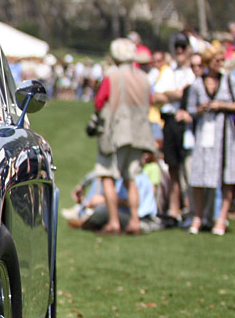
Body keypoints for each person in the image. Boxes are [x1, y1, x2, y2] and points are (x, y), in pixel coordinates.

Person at [92, 37, 156, 235]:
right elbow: (151, 100)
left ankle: (113, 222)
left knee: (107, 175)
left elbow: (99, 101)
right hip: (141, 132)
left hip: (117, 132)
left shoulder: (113, 76)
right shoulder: (144, 77)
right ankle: (135, 221)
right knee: (131, 177)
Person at [180, 67, 235, 235]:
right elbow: (190, 110)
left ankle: (220, 218)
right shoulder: (197, 84)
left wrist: (222, 105)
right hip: (203, 134)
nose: (220, 63)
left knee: (226, 177)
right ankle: (198, 216)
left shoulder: (228, 80)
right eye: (215, 60)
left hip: (225, 136)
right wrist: (201, 108)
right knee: (198, 176)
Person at [151, 33, 197, 222]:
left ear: (189, 49)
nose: (179, 50)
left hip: (187, 124)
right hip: (169, 122)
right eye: (176, 47)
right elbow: (157, 97)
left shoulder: (193, 71)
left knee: (189, 169)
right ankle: (174, 210)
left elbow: (184, 93)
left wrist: (171, 94)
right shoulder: (169, 71)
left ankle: (193, 210)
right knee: (173, 169)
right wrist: (176, 94)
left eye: (182, 47)